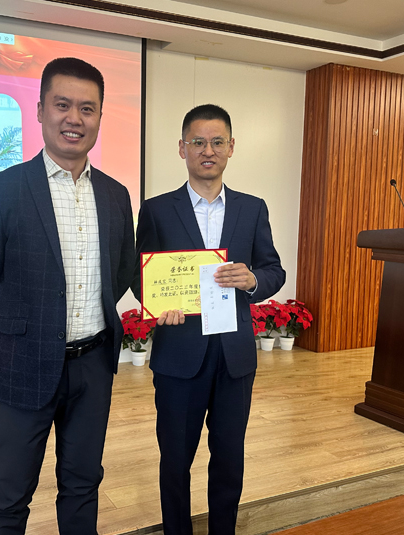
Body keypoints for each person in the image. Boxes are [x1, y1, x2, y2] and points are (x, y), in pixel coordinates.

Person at [0, 57, 136, 534]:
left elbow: (120, 271)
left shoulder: (116, 195)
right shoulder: (1, 190)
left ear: (99, 117)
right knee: (10, 491)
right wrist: (20, 330)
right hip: (22, 363)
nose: (74, 118)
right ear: (39, 110)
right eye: (62, 105)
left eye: (87, 108)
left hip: (92, 366)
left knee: (83, 483)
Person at [132, 104, 285, 535]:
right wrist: (158, 303)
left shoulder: (252, 209)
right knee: (175, 460)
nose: (208, 150)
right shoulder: (157, 210)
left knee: (229, 458)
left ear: (231, 147)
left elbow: (273, 270)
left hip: (234, 357)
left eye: (217, 142)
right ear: (182, 148)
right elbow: (140, 275)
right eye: (198, 142)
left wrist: (253, 279)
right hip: (180, 355)